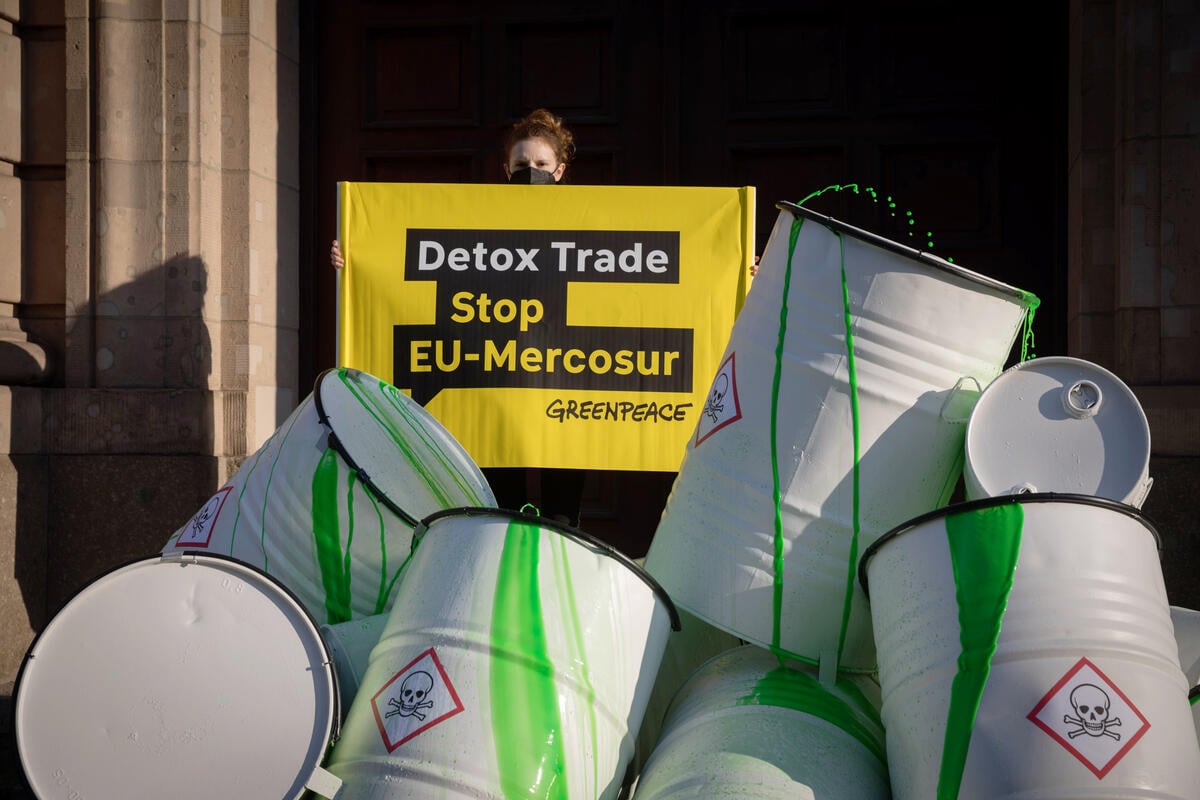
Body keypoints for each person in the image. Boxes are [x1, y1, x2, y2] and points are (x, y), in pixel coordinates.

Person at [330, 108, 587, 526]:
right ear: (507, 169)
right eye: (522, 164)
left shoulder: (591, 219)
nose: (531, 171)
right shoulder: (477, 217)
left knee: (563, 514)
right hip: (497, 379)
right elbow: (413, 258)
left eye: (541, 164)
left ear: (560, 170)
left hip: (565, 374)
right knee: (503, 509)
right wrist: (355, 260)